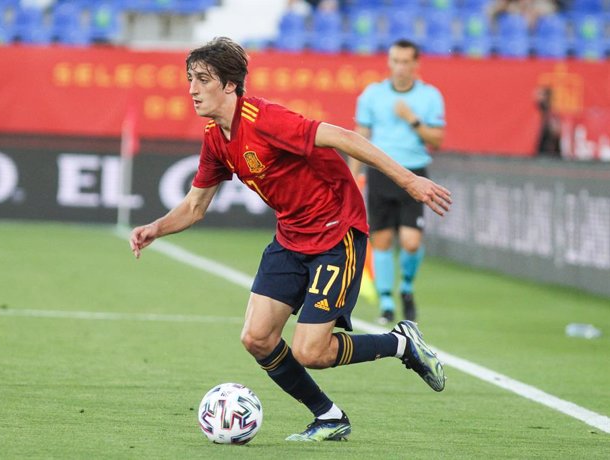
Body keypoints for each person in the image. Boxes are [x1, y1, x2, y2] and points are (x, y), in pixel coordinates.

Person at [129, 37, 450, 442]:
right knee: (257, 338)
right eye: (190, 78)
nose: (192, 89)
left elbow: (345, 138)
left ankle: (401, 343)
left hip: (337, 232)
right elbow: (195, 207)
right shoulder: (215, 136)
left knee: (310, 352)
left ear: (230, 85)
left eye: (202, 79)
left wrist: (409, 181)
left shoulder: (264, 119)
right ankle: (329, 417)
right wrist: (155, 228)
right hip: (291, 236)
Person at [350, 39, 446, 326]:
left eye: (406, 61)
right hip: (381, 172)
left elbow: (437, 140)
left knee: (411, 242)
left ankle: (405, 288)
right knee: (381, 240)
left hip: (414, 173)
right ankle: (387, 303)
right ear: (389, 62)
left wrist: (412, 119)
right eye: (395, 60)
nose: (400, 67)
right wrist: (353, 175)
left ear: (416, 64)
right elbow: (359, 137)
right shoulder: (373, 94)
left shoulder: (429, 96)